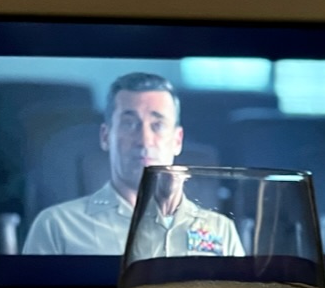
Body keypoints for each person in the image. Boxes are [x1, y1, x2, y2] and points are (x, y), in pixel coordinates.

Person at [21, 71, 243, 257]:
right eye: (129, 124)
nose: (144, 140)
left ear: (177, 141)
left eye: (157, 125)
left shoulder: (220, 230)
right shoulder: (57, 227)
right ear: (105, 137)